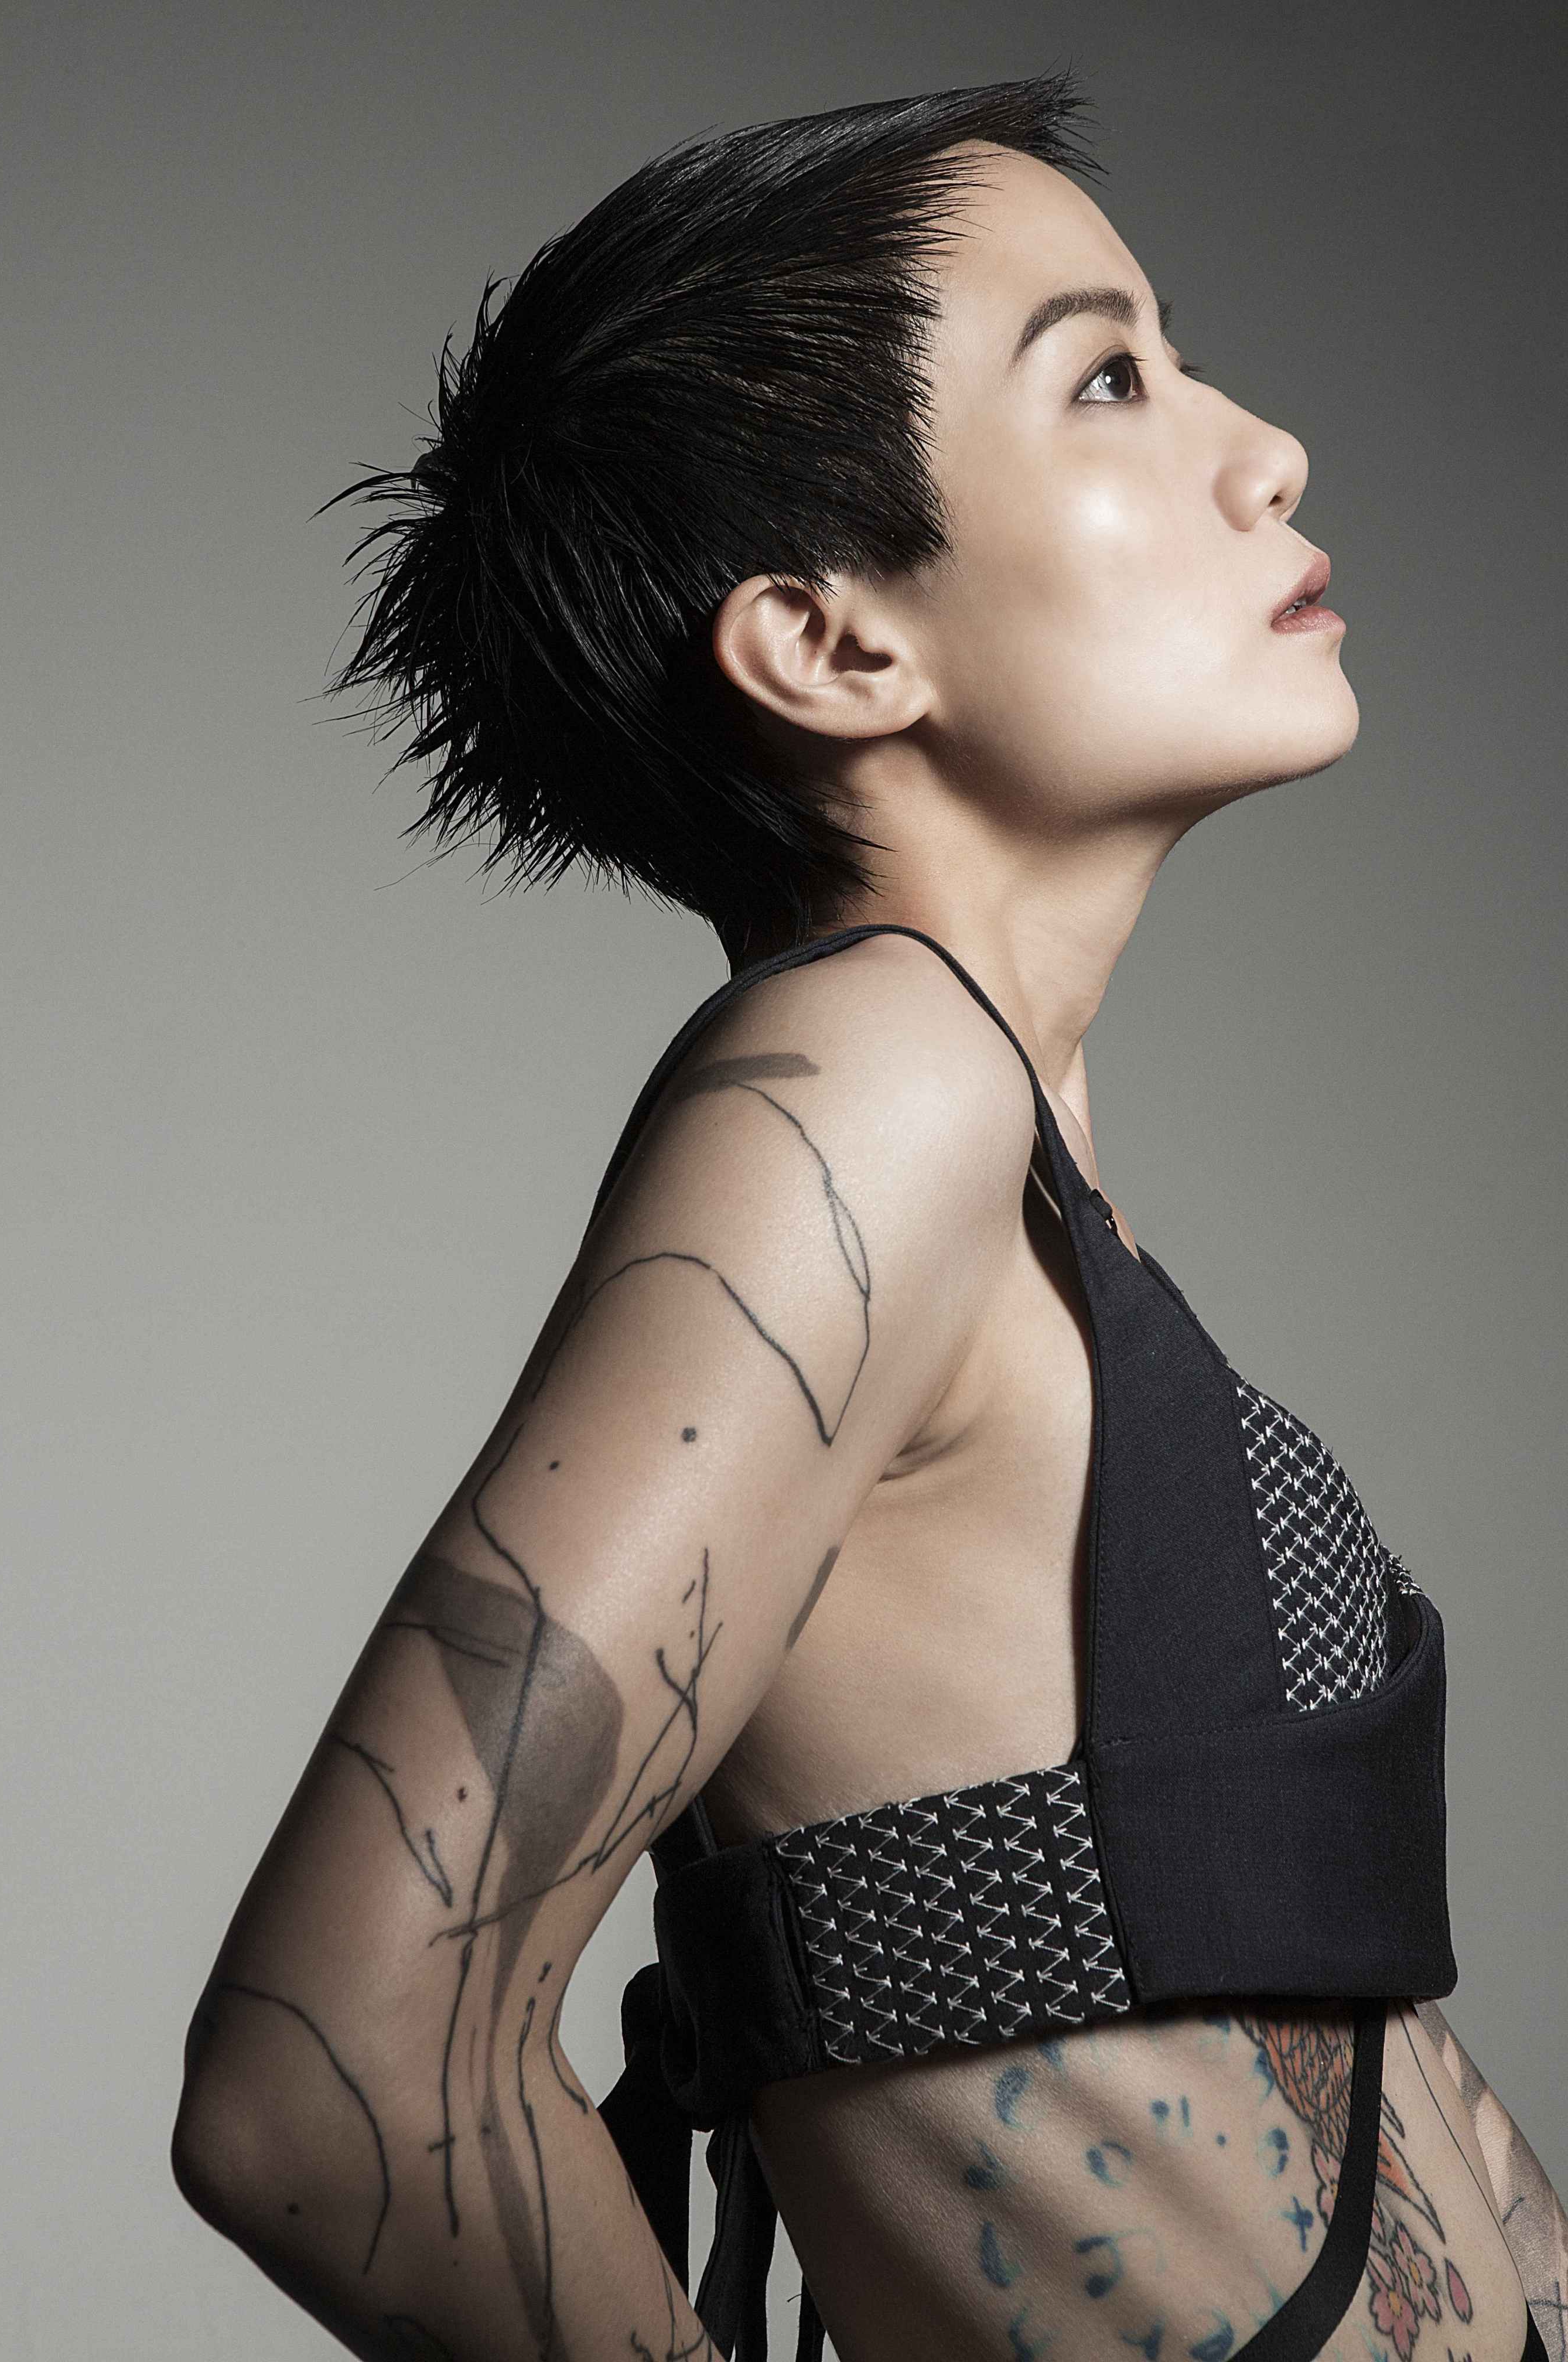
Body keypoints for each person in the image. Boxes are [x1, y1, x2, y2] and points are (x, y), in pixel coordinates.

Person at [170, 74, 1566, 2362]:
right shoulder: (875, 1091)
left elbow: (1341, 2056)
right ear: (830, 648)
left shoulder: (1004, 1164)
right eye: (1106, 381)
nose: (1266, 450)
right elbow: (327, 2083)